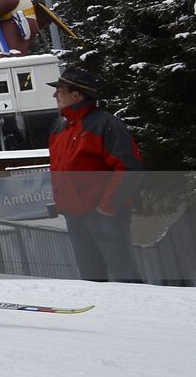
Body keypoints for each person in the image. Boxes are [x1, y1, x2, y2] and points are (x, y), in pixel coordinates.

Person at [47, 67, 143, 282]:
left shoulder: (106, 124)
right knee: (91, 280)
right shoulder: (60, 130)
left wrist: (107, 206)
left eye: (59, 90)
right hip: (75, 215)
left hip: (105, 215)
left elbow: (129, 168)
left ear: (76, 94)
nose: (55, 95)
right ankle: (103, 315)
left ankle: (141, 314)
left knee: (124, 276)